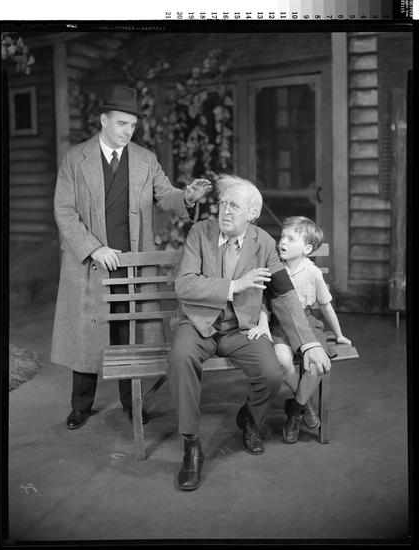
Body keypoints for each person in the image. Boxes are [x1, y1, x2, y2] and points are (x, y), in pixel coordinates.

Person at [51, 84, 211, 430]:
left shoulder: (145, 159)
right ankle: (81, 406)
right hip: (91, 261)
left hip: (131, 262)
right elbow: (64, 210)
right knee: (87, 330)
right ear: (103, 120)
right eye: (122, 123)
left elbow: (165, 195)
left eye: (133, 125)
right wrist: (94, 248)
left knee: (129, 331)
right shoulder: (75, 159)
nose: (128, 131)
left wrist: (187, 197)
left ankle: (131, 402)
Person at [167, 175, 331, 491]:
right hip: (197, 323)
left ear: (252, 214)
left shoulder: (264, 243)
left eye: (234, 206)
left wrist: (309, 343)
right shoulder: (200, 232)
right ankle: (191, 443)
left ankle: (249, 418)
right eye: (222, 204)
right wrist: (234, 285)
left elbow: (283, 294)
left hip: (240, 328)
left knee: (271, 372)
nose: (225, 211)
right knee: (180, 358)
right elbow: (184, 284)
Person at [248, 216, 351, 444]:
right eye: (282, 236)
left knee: (317, 365)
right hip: (279, 324)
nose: (283, 241)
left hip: (306, 322)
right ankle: (306, 405)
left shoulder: (313, 272)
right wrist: (263, 324)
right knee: (282, 362)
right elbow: (263, 302)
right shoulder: (273, 268)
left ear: (307, 248)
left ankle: (295, 409)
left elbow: (325, 305)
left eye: (291, 238)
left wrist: (339, 333)